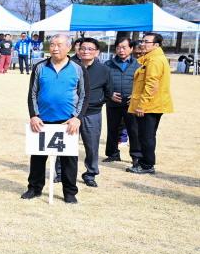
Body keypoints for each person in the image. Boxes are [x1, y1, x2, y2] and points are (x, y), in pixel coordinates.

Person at [22, 34, 84, 204]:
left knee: (69, 159)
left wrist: (77, 117)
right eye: (52, 45)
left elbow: (84, 95)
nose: (55, 48)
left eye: (59, 45)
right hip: (42, 121)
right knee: (38, 157)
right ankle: (34, 188)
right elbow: (32, 93)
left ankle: (70, 192)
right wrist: (34, 115)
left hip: (68, 122)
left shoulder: (77, 68)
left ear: (69, 47)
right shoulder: (40, 67)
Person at [127, 32, 173, 175]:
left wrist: (142, 105)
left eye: (146, 42)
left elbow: (151, 85)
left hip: (150, 106)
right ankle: (146, 163)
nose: (143, 44)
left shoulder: (155, 61)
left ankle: (147, 165)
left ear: (156, 45)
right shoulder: (152, 58)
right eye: (142, 41)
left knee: (146, 136)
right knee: (147, 135)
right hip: (153, 104)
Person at [75, 38, 113, 187]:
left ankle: (90, 173)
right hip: (71, 114)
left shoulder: (104, 70)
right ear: (78, 51)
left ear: (97, 52)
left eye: (90, 49)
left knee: (91, 145)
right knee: (66, 144)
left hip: (92, 113)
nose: (86, 51)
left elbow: (109, 91)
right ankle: (61, 172)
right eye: (83, 48)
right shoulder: (71, 66)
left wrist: (98, 102)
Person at [103, 37, 140, 165]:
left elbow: (142, 84)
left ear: (131, 48)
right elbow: (103, 83)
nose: (121, 50)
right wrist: (110, 94)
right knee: (112, 129)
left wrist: (135, 96)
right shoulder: (108, 64)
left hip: (131, 104)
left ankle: (136, 156)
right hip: (113, 103)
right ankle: (112, 154)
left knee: (134, 130)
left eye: (124, 47)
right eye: (118, 47)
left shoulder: (138, 65)